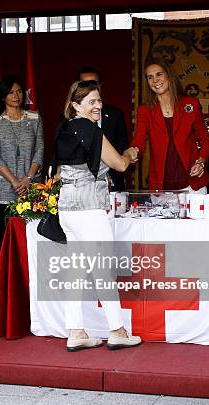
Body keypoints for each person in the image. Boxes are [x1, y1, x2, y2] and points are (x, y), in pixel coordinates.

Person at [56, 80, 141, 351]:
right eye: (90, 101)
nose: (97, 106)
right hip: (89, 207)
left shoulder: (63, 128)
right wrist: (129, 153)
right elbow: (119, 163)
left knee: (76, 272)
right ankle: (117, 330)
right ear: (76, 105)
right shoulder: (89, 129)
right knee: (104, 269)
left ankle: (76, 331)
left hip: (67, 205)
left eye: (99, 100)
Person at [131, 58, 209, 192]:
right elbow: (138, 142)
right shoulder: (145, 110)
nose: (155, 80)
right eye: (150, 77)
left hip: (193, 185)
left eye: (159, 74)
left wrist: (200, 162)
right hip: (161, 186)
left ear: (169, 75)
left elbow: (205, 141)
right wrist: (130, 153)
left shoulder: (190, 105)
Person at [0, 75, 43, 254]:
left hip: (32, 185)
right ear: (3, 96)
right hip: (5, 187)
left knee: (33, 231)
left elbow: (40, 150)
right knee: (8, 234)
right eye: (11, 92)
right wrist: (15, 182)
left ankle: (30, 275)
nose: (16, 96)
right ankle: (6, 276)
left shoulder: (34, 118)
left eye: (19, 91)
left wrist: (27, 179)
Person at [78, 66, 129, 191]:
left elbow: (122, 148)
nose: (90, 88)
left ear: (100, 86)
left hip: (113, 185)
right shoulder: (68, 121)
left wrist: (127, 154)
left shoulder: (115, 114)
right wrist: (128, 156)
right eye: (85, 84)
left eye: (93, 84)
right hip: (83, 188)